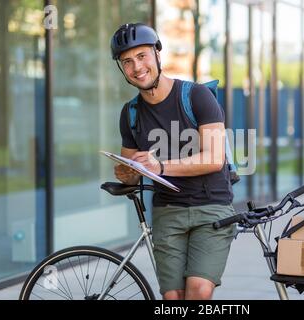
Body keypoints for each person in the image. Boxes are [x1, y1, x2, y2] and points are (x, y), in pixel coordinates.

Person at [110, 23, 235, 300]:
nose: (137, 67)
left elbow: (215, 159)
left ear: (157, 55)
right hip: (167, 210)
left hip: (211, 206)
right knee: (172, 299)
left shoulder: (196, 96)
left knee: (199, 291)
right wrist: (126, 171)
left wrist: (160, 166)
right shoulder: (130, 113)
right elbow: (132, 170)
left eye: (142, 56)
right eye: (127, 62)